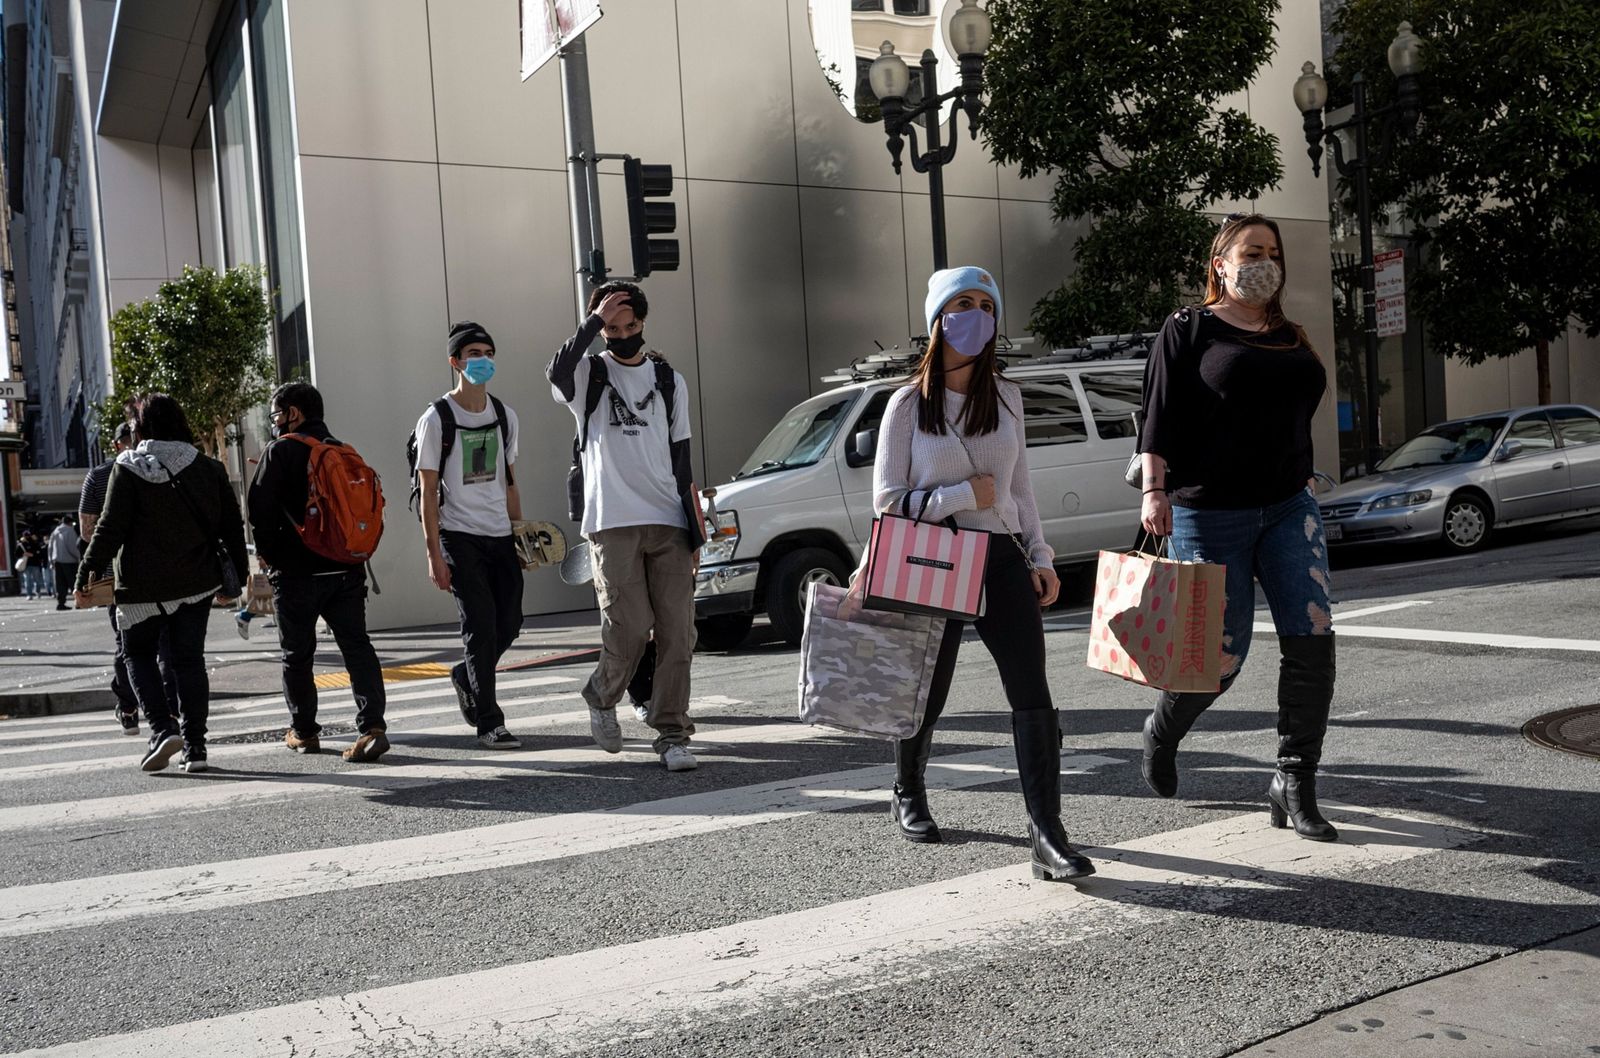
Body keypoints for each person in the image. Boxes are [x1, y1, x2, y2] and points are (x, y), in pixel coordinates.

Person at [860, 266, 1094, 881]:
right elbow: (886, 501)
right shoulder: (906, 404)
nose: (975, 315)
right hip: (933, 555)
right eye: (961, 303)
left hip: (1000, 555)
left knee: (1032, 691)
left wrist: (1039, 555)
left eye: (985, 304)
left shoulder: (1008, 395)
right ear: (937, 320)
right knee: (927, 688)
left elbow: (1020, 489)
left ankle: (1046, 833)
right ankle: (907, 787)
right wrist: (959, 495)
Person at [1135, 212, 1338, 842]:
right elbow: (1157, 418)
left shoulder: (1289, 334)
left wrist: (1301, 476)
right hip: (1207, 512)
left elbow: (1296, 413)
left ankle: (1294, 778)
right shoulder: (1188, 329)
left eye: (1272, 252)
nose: (1264, 262)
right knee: (1215, 661)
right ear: (1220, 263)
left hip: (1286, 507)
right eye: (1251, 251)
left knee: (1312, 639)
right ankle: (1161, 731)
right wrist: (1154, 491)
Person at [547, 281, 705, 773]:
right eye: (612, 328)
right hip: (612, 520)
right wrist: (592, 322)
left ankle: (672, 733)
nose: (621, 335)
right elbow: (557, 372)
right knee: (630, 626)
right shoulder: (589, 373)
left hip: (668, 520)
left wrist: (695, 530)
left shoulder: (667, 379)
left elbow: (682, 460)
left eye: (629, 326)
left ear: (643, 324)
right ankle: (601, 695)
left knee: (678, 632)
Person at [75, 393, 248, 774]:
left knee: (137, 654)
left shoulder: (128, 467)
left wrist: (86, 572)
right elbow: (232, 527)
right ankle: (197, 748)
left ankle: (161, 728)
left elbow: (109, 529)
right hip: (196, 582)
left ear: (141, 428)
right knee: (189, 661)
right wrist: (238, 575)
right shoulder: (209, 468)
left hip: (141, 587)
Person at [248, 382, 389, 763]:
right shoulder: (344, 451)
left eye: (276, 414)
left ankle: (305, 732)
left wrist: (271, 558)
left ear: (293, 413)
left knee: (297, 654)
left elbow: (258, 513)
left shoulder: (280, 451)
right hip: (346, 568)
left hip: (297, 575)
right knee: (357, 646)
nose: (274, 422)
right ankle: (372, 726)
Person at [414, 321, 525, 749]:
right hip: (458, 534)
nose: (482, 360)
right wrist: (433, 554)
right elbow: (427, 491)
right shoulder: (437, 418)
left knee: (510, 621)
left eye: (487, 352)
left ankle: (466, 675)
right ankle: (490, 722)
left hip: (500, 533)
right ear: (455, 362)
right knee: (479, 626)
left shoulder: (504, 415)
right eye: (472, 354)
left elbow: (510, 480)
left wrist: (521, 533)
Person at [80, 421, 175, 735]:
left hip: (116, 575)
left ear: (115, 443)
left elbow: (87, 529)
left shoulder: (98, 476)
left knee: (127, 644)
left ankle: (129, 707)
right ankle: (166, 711)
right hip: (161, 568)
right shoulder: (162, 467)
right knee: (163, 643)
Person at [47, 515, 81, 610]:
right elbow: (72, 546)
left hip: (57, 561)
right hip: (69, 561)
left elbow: (50, 547)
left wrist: (51, 560)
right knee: (73, 582)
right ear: (70, 523)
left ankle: (61, 602)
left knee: (60, 583)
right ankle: (78, 602)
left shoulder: (56, 531)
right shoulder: (70, 531)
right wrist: (78, 557)